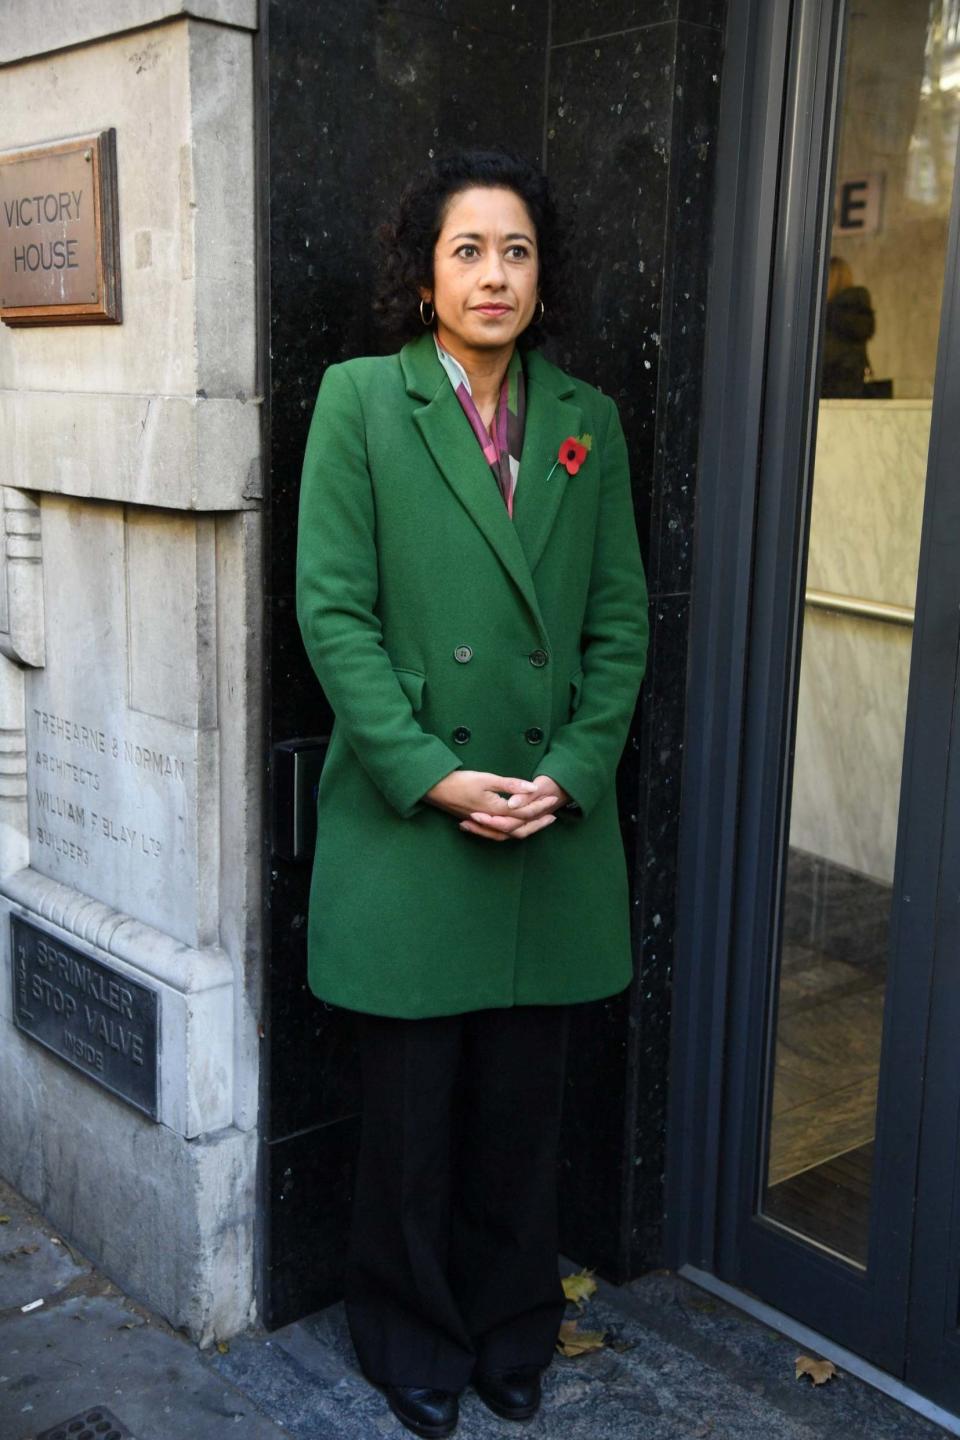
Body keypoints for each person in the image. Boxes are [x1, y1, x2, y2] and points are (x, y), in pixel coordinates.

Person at [295, 147, 649, 1439]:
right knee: (408, 1128)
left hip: (547, 824)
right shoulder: (360, 402)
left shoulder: (586, 421)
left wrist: (572, 773)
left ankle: (512, 1329)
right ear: (425, 273)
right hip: (415, 824)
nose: (494, 275)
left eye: (517, 252)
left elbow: (619, 626)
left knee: (520, 1118)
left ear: (543, 277)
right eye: (468, 251)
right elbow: (331, 617)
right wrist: (434, 774)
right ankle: (408, 1335)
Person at [821, 255, 876, 397]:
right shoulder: (858, 312)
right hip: (854, 392)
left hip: (828, 394)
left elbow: (826, 357)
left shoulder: (829, 314)